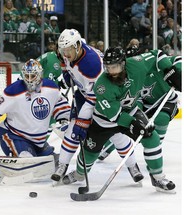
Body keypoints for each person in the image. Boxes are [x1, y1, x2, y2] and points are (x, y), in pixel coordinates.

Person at [65, 47, 177, 192]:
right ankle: (79, 174)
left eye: (115, 67)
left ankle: (158, 178)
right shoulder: (102, 86)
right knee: (90, 152)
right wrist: (133, 124)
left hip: (130, 111)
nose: (111, 71)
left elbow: (157, 55)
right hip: (104, 121)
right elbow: (115, 116)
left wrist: (169, 70)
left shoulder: (137, 64)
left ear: (123, 64)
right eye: (108, 68)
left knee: (151, 137)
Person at [98, 49, 181, 161]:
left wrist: (175, 73)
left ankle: (155, 147)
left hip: (166, 100)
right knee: (130, 122)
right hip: (143, 102)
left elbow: (177, 59)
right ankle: (108, 148)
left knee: (162, 118)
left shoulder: (147, 65)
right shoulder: (126, 76)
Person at [0, 59, 70, 157]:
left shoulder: (51, 88)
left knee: (55, 162)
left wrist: (65, 122)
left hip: (37, 142)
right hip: (15, 136)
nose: (30, 80)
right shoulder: (13, 91)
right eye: (27, 76)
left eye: (33, 76)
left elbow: (60, 105)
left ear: (40, 75)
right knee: (27, 160)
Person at [50, 29, 104, 182]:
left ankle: (133, 167)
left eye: (68, 50)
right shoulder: (67, 51)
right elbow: (65, 62)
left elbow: (94, 98)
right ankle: (63, 165)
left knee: (115, 134)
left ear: (78, 46)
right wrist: (66, 75)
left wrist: (83, 121)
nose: (65, 54)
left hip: (103, 98)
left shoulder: (91, 64)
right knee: (73, 131)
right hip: (84, 93)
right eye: (63, 50)